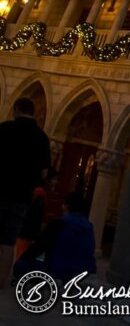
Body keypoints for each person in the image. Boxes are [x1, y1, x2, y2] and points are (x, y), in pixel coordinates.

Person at [0, 97, 51, 289]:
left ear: (16, 110)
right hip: (21, 197)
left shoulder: (4, 129)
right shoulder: (41, 138)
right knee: (8, 242)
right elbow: (44, 172)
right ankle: (1, 283)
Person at [13, 192, 96, 283]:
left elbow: (38, 248)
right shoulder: (89, 226)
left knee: (20, 266)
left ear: (66, 206)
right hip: (84, 271)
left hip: (59, 270)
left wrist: (23, 258)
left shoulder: (59, 223)